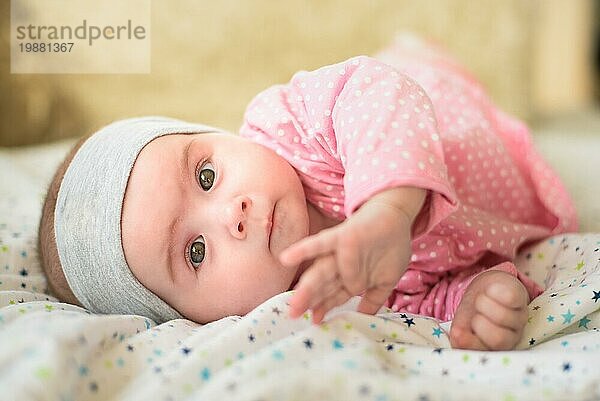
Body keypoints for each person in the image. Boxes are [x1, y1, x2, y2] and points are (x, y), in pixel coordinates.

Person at [38, 35, 577, 351]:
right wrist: (479, 301)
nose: (234, 213)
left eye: (206, 174)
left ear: (217, 134)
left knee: (412, 62)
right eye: (195, 252)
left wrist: (387, 209)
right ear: (196, 319)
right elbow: (423, 301)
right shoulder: (326, 307)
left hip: (451, 113)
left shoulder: (292, 125)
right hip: (512, 204)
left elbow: (378, 91)